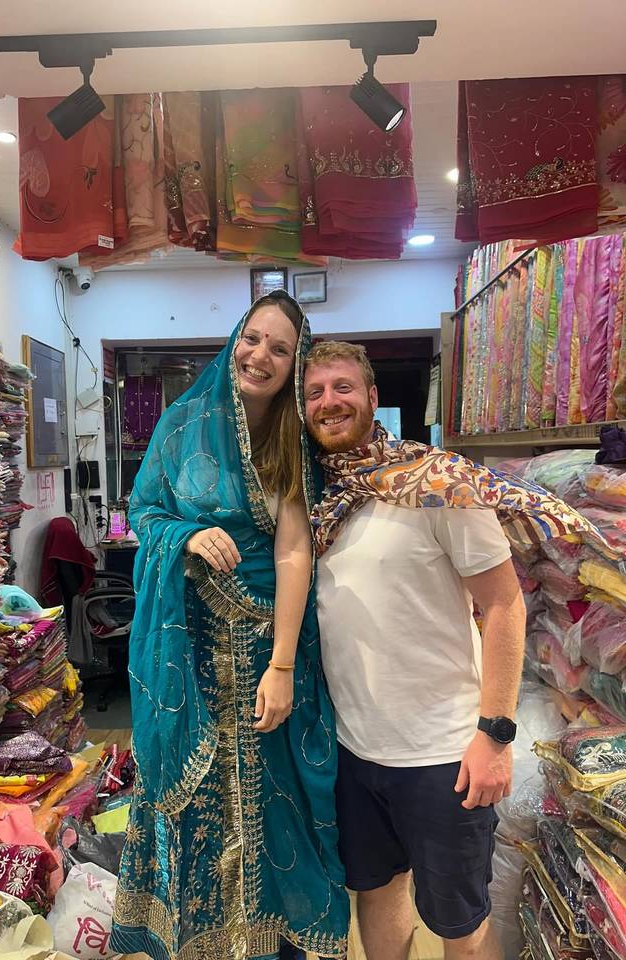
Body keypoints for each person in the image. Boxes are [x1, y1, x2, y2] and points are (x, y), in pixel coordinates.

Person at [301, 341, 601, 960]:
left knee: (457, 925)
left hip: (443, 755)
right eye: (314, 393)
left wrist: (495, 734)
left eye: (343, 387)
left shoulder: (437, 484)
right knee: (377, 899)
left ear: (373, 399)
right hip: (355, 750)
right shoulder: (321, 504)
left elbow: (504, 605)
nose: (329, 402)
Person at [111, 294, 349, 960]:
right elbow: (146, 513)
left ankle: (270, 944)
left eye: (280, 348)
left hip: (273, 649)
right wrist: (185, 537)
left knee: (279, 804)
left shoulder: (294, 435)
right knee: (194, 806)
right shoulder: (182, 423)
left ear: (294, 362)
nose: (260, 356)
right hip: (189, 654)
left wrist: (279, 666)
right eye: (253, 339)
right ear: (233, 342)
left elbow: (295, 548)